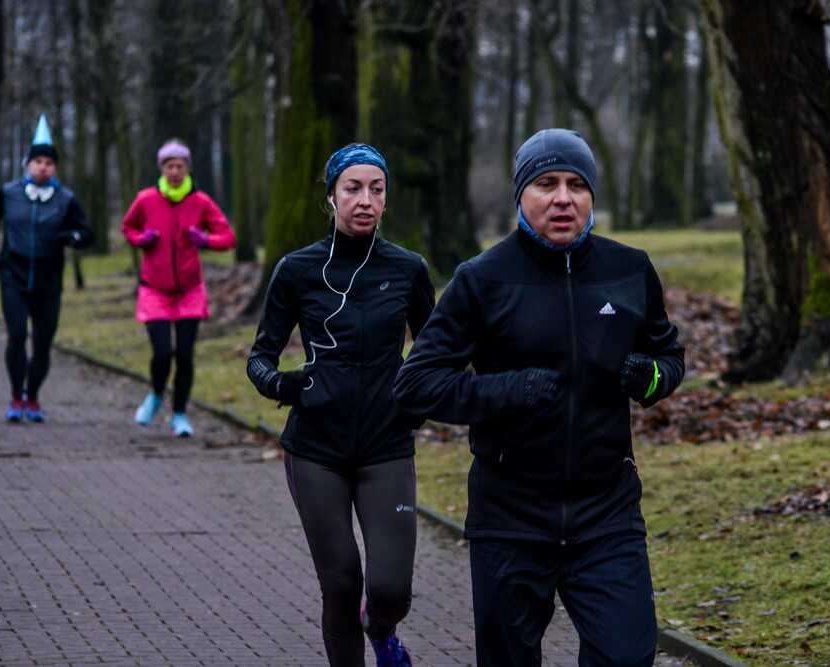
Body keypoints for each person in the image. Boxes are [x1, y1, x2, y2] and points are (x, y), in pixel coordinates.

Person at [394, 128, 686, 666]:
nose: (562, 197)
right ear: (521, 195)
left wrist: (648, 378)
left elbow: (670, 360)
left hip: (607, 509)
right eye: (546, 183)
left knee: (626, 658)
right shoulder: (482, 279)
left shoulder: (629, 270)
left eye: (577, 184)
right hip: (511, 513)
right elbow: (416, 384)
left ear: (592, 195)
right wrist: (508, 390)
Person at [247, 144, 435, 667]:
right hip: (315, 450)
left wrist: (417, 400)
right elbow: (259, 358)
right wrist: (282, 385)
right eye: (353, 188)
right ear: (331, 196)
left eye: (377, 189)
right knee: (341, 582)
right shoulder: (297, 269)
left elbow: (436, 351)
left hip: (386, 446)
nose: (366, 200)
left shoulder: (408, 269)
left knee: (391, 588)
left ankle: (381, 630)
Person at [0, 115, 94, 422]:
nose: (43, 166)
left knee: (42, 344)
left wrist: (73, 237)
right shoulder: (9, 193)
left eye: (49, 162)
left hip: (48, 282)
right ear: (28, 164)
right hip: (13, 277)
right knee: (17, 336)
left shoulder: (66, 199)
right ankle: (16, 396)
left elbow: (86, 234)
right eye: (38, 161)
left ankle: (33, 395)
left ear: (55, 168)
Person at [122, 139, 236, 437]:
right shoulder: (146, 199)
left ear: (188, 168)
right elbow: (128, 227)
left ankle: (180, 415)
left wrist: (206, 241)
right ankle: (156, 394)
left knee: (184, 355)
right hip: (154, 289)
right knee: (163, 353)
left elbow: (228, 236)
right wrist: (140, 239)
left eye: (180, 166)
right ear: (161, 168)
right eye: (169, 166)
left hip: (189, 291)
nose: (174, 171)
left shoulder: (200, 202)